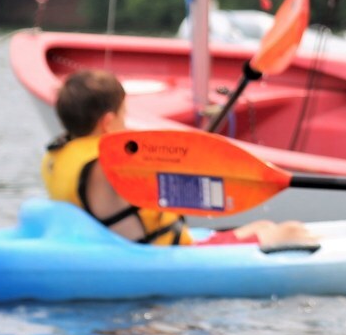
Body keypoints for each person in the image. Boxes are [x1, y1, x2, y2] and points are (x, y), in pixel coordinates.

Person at [41, 70, 317, 250]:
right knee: (289, 230)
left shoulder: (57, 156)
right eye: (124, 115)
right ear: (108, 122)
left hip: (122, 248)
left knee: (263, 226)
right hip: (162, 255)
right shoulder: (109, 163)